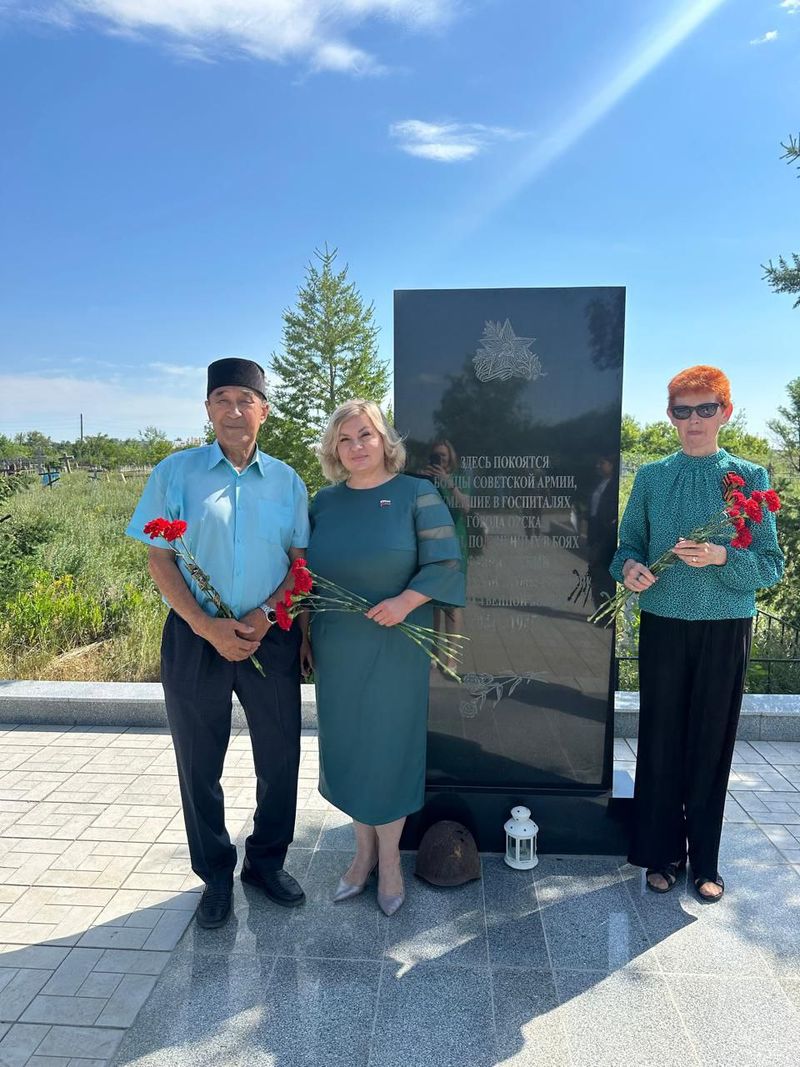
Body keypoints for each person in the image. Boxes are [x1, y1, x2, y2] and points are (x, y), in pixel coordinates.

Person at [126, 358, 309, 929]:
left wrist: (263, 616)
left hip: (269, 635)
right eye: (223, 399)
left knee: (280, 759)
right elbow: (159, 558)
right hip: (193, 636)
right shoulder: (175, 474)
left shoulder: (288, 481)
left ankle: (266, 863)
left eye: (246, 399)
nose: (235, 410)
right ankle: (215, 876)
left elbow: (300, 564)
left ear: (264, 410)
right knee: (198, 764)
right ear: (208, 409)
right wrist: (207, 626)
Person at [610, 365, 783, 901]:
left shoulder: (750, 479)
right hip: (663, 624)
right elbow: (625, 548)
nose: (693, 420)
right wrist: (631, 571)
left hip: (725, 627)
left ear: (725, 413)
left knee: (711, 744)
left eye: (705, 409)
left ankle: (705, 861)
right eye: (682, 410)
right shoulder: (654, 478)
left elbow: (770, 564)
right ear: (669, 416)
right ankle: (661, 854)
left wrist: (722, 555)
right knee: (660, 742)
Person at [304, 400, 465, 915]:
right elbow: (305, 577)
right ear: (334, 449)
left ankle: (391, 860)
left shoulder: (417, 494)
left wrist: (405, 602)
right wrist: (306, 635)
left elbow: (445, 561)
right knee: (349, 744)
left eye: (365, 435)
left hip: (397, 640)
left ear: (385, 442)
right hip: (338, 645)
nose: (356, 446)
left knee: (388, 747)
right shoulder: (322, 503)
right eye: (345, 439)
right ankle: (362, 854)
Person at [419, 439, 470, 671]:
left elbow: (467, 507)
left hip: (454, 546)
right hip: (428, 547)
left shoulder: (457, 480)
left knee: (451, 604)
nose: (440, 460)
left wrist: (448, 483)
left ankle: (452, 658)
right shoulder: (423, 478)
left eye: (444, 457)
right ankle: (433, 653)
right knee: (430, 602)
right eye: (436, 456)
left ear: (451, 459)